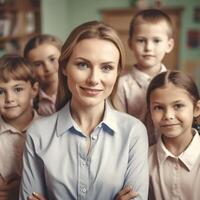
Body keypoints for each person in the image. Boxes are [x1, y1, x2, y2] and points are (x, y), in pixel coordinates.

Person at [19, 21, 149, 200]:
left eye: (106, 67)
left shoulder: (134, 132)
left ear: (117, 72)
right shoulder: (38, 133)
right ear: (64, 67)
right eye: (83, 65)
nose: (94, 79)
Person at [111, 9, 174, 145]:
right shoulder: (121, 86)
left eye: (156, 41)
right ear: (130, 44)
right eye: (141, 40)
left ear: (169, 45)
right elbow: (119, 126)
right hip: (132, 151)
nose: (148, 47)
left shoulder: (175, 85)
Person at [147, 70, 200, 200]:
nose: (168, 116)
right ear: (150, 112)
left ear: (196, 109)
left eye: (178, 106)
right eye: (159, 108)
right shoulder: (143, 160)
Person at [0, 54, 39, 200]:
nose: (9, 99)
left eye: (17, 89)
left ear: (34, 90)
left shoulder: (51, 129)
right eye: (1, 92)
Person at [24, 34, 62, 116]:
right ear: (30, 69)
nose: (48, 68)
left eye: (52, 59)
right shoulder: (30, 101)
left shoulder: (77, 91)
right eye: (38, 64)